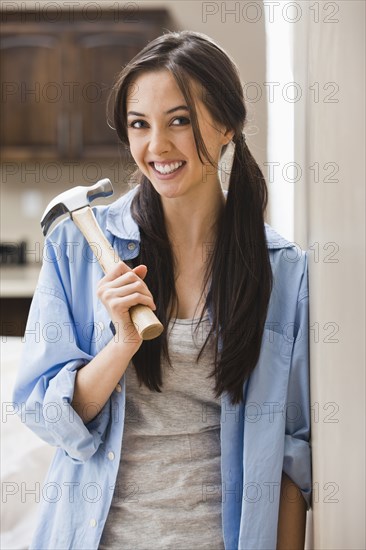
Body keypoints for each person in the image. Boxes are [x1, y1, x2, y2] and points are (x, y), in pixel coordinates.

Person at [13, 30, 311, 549]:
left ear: (226, 125)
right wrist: (121, 343)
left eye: (180, 120)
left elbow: (292, 455)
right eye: (139, 125)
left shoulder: (282, 272)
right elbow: (48, 415)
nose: (157, 146)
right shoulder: (77, 247)